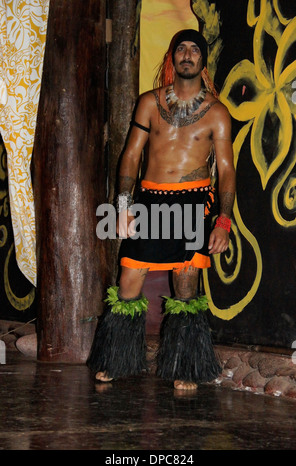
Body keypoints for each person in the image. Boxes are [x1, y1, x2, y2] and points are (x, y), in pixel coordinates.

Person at [87, 29, 236, 390]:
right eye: (181, 49)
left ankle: (185, 367)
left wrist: (223, 222)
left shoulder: (217, 113)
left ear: (203, 60)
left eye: (194, 50)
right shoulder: (149, 103)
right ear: (172, 58)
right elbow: (132, 155)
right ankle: (118, 360)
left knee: (185, 284)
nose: (187, 55)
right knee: (129, 281)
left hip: (194, 201)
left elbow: (228, 171)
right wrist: (122, 205)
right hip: (151, 201)